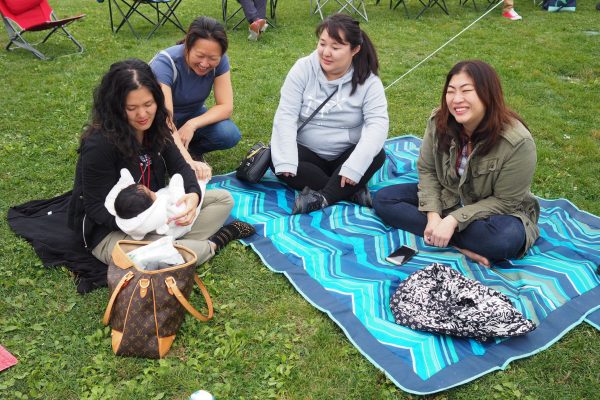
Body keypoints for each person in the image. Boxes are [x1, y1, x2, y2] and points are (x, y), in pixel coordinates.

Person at [68, 59, 254, 267]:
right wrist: (143, 224)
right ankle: (212, 243)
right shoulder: (99, 144)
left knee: (222, 199)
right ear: (115, 107)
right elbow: (94, 208)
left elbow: (181, 167)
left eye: (148, 105)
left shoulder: (157, 127)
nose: (142, 114)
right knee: (153, 257)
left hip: (160, 214)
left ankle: (172, 246)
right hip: (114, 229)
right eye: (132, 108)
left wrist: (193, 195)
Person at [373, 60, 540, 267]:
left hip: (497, 213)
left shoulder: (517, 142)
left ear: (488, 94)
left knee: (504, 239)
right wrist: (433, 216)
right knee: (384, 199)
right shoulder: (439, 122)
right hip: (450, 197)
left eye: (466, 90)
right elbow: (428, 169)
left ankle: (450, 235)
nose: (456, 99)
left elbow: (505, 202)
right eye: (450, 91)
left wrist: (452, 221)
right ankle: (462, 246)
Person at [270, 13, 389, 214]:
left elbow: (377, 125)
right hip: (308, 152)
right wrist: (287, 159)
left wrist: (355, 166)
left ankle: (324, 197)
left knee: (377, 154)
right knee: (277, 157)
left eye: (335, 47)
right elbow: (286, 114)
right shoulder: (303, 68)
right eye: (322, 43)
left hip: (345, 155)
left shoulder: (368, 81)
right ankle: (350, 190)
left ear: (355, 49)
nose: (326, 52)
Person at [150, 16, 241, 178]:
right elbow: (165, 120)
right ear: (187, 47)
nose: (205, 64)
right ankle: (176, 155)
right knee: (155, 151)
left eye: (213, 58)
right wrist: (187, 163)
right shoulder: (165, 64)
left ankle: (191, 150)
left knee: (229, 133)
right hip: (157, 123)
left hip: (190, 116)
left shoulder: (221, 62)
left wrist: (192, 125)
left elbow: (226, 107)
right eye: (200, 55)